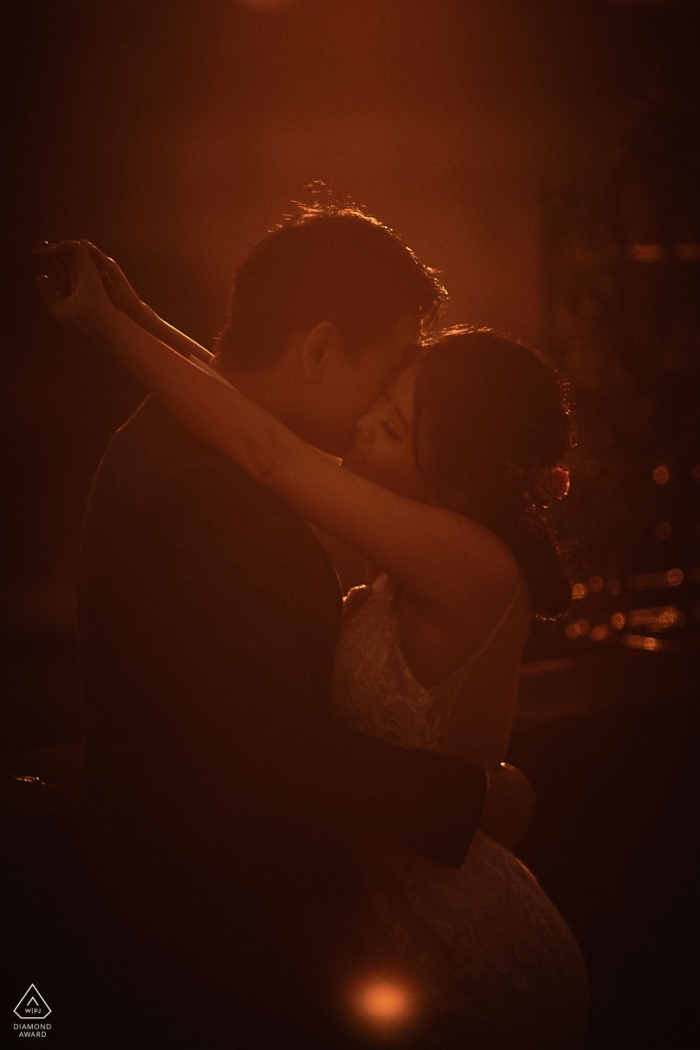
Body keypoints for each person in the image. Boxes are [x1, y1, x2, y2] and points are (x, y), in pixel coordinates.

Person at [35, 208, 540, 1049]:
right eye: (381, 385)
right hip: (223, 947)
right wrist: (477, 796)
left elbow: (256, 432)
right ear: (316, 350)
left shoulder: (197, 448)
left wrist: (128, 321)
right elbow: (279, 754)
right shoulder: (204, 493)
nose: (375, 410)